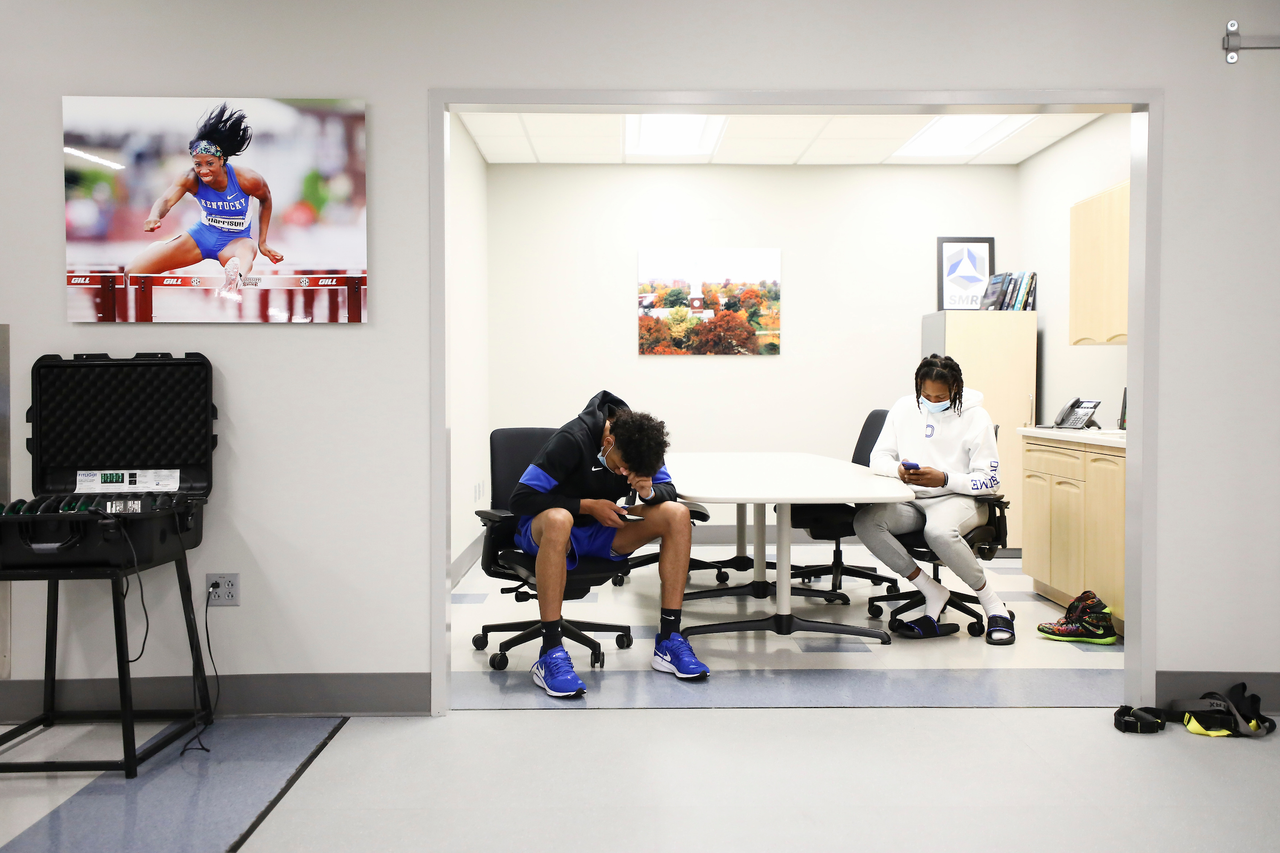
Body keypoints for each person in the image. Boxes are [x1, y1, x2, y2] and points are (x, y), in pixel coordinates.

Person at [509, 390, 710, 697]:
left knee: (677, 514)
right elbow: (520, 499)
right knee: (559, 519)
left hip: (601, 529)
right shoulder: (571, 439)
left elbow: (667, 489)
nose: (622, 473)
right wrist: (588, 506)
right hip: (546, 529)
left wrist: (648, 492)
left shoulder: (641, 445)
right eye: (620, 466)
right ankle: (550, 652)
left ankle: (669, 640)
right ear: (607, 443)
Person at [854, 355, 1015, 644]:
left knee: (938, 531)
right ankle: (931, 590)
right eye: (926, 394)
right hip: (912, 498)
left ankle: (994, 606)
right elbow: (877, 458)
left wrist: (944, 478)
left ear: (956, 389)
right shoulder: (904, 408)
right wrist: (898, 470)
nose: (931, 400)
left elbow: (990, 480)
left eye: (940, 396)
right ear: (918, 386)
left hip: (960, 499)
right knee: (867, 522)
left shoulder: (976, 416)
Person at [125, 103, 283, 302]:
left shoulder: (248, 179)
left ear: (222, 160)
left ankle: (234, 280)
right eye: (197, 164)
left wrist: (263, 242)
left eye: (209, 164)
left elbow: (266, 200)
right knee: (133, 272)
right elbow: (166, 199)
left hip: (235, 241)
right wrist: (154, 216)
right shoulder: (189, 178)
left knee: (246, 252)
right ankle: (160, 249)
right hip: (201, 237)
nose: (203, 170)